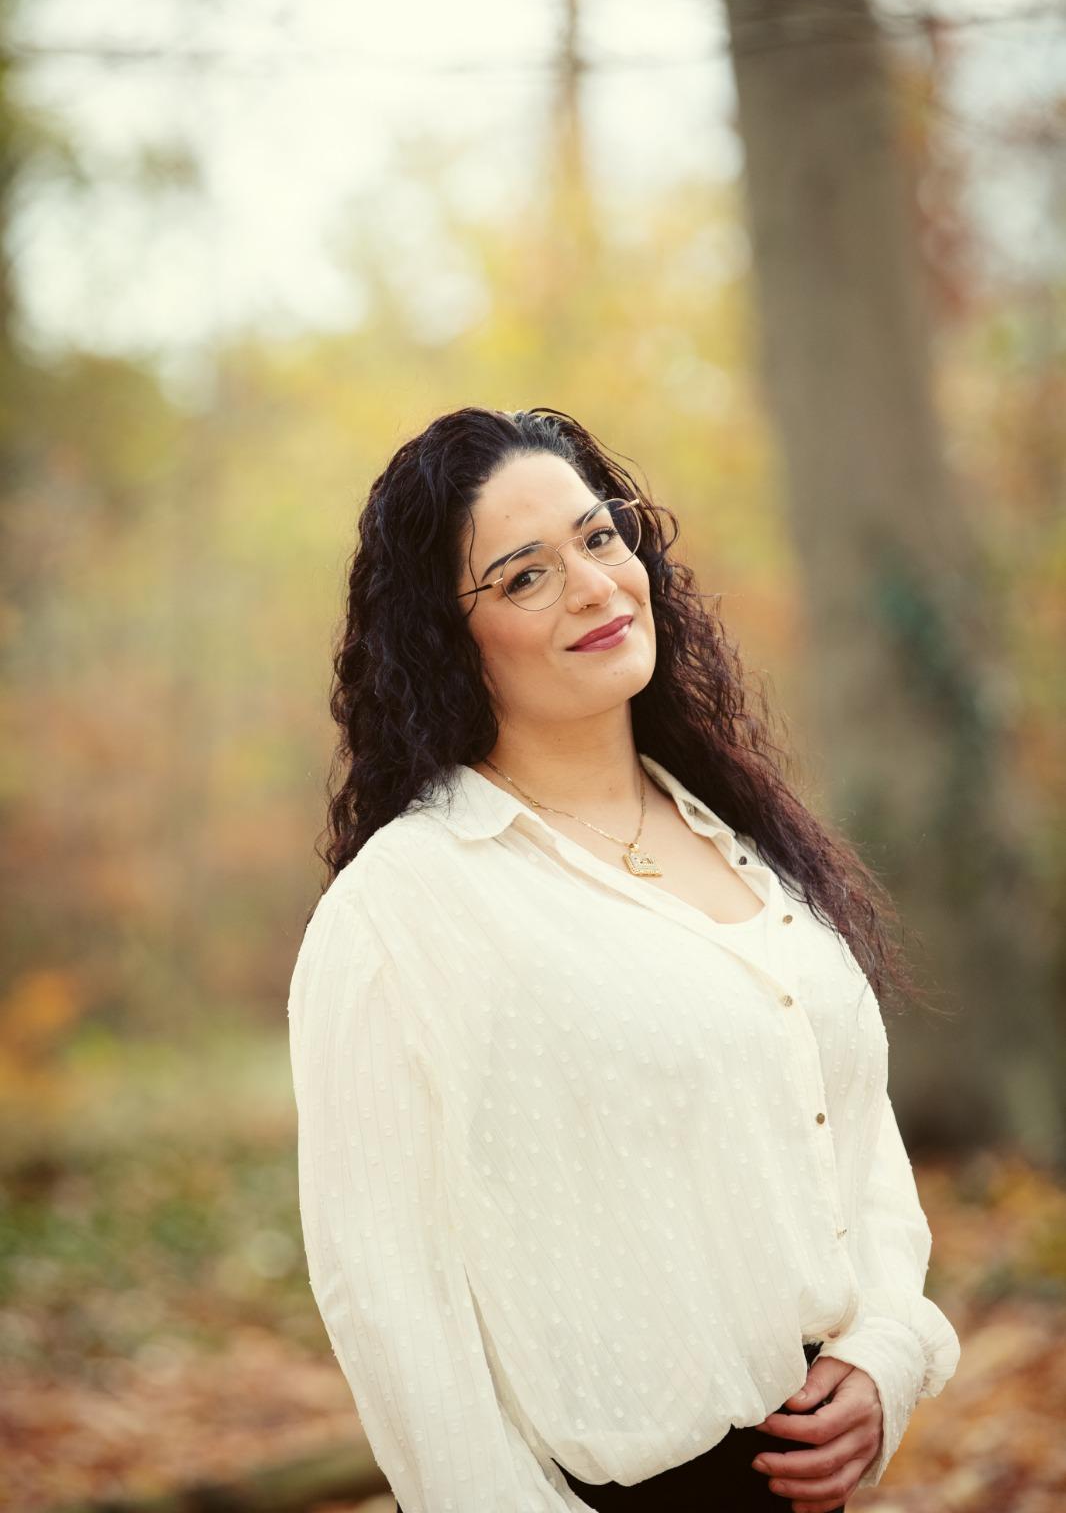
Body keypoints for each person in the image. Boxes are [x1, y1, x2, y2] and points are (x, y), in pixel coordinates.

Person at [286, 406, 961, 1513]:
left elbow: (845, 1125)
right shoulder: (406, 908)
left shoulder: (741, 841)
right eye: (524, 576)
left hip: (805, 1480)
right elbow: (390, 1298)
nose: (596, 587)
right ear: (443, 636)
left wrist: (888, 1347)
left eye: (600, 537)